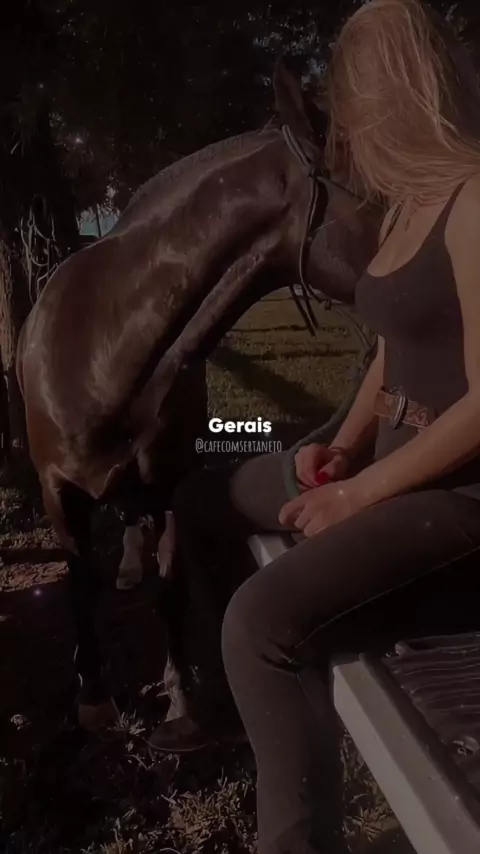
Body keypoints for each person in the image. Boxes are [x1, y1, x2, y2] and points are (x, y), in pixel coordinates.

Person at [150, 1, 480, 851]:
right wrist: (342, 446)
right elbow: (390, 354)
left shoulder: (476, 200)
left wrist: (361, 495)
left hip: (459, 504)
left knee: (261, 626)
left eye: (352, 100)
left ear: (390, 93)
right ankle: (218, 705)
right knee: (204, 494)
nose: (347, 127)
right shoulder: (410, 205)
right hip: (392, 464)